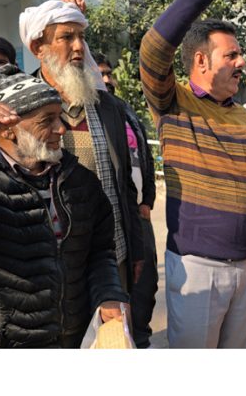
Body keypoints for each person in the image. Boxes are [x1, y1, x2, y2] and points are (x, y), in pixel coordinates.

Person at [0, 65, 128, 348]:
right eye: (47, 120)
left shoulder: (79, 180)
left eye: (59, 116)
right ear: (8, 130)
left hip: (70, 339)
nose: (61, 128)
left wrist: (109, 294)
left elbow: (99, 250)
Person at [139, 0, 246, 348]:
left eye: (240, 54)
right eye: (231, 55)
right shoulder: (172, 102)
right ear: (200, 62)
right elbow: (153, 49)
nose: (242, 62)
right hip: (199, 269)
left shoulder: (243, 115)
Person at [19, 0, 144, 300]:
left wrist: (136, 247)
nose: (78, 46)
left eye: (81, 36)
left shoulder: (107, 107)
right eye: (66, 37)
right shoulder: (21, 109)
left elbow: (125, 183)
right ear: (38, 48)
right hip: (53, 268)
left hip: (114, 258)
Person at [94, 52, 159, 349]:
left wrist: (148, 199)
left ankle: (141, 341)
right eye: (100, 74)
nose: (107, 79)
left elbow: (144, 157)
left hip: (139, 213)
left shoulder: (125, 110)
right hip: (107, 216)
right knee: (113, 294)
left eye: (109, 73)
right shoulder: (90, 116)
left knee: (145, 286)